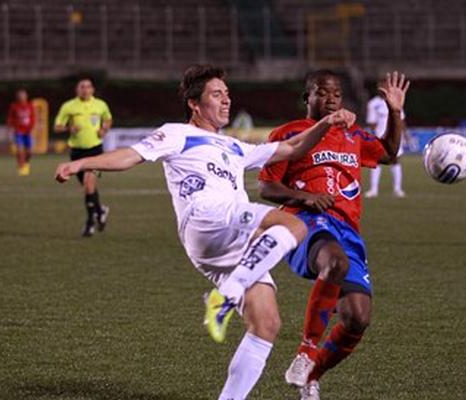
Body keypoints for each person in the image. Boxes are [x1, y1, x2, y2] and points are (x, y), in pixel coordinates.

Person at [54, 64, 356, 400]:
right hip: (207, 217)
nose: (226, 101)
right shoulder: (176, 133)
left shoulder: (235, 147)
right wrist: (82, 163)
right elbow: (130, 156)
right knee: (294, 224)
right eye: (217, 95)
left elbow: (292, 148)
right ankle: (226, 293)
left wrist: (325, 123)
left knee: (267, 323)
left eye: (227, 94)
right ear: (194, 104)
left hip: (226, 243)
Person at [258, 70, 408, 400]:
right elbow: (266, 186)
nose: (331, 99)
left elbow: (390, 152)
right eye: (322, 93)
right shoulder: (288, 134)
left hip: (347, 230)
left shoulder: (353, 135)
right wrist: (304, 198)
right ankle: (305, 351)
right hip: (304, 222)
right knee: (335, 263)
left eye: (337, 94)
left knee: (357, 316)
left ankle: (312, 374)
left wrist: (395, 111)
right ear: (307, 98)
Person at [54, 78, 113, 237]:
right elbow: (57, 126)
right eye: (82, 87)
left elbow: (107, 119)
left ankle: (89, 223)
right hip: (76, 152)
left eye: (88, 87)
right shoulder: (69, 106)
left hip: (95, 150)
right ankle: (100, 211)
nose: (85, 89)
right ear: (77, 90)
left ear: (92, 89)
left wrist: (104, 130)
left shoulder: (100, 104)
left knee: (88, 183)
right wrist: (68, 127)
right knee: (88, 188)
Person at [364, 91, 409, 198]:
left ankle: (397, 189)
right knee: (376, 161)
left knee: (395, 160)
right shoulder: (373, 103)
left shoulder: (395, 100)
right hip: (379, 137)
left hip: (394, 137)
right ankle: (373, 190)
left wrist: (405, 134)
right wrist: (376, 135)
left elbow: (401, 119)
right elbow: (371, 122)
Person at [6, 88, 36, 176]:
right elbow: (10, 118)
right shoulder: (14, 106)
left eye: (23, 95)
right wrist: (8, 130)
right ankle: (20, 165)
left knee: (29, 152)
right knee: (20, 150)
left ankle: (26, 163)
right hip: (18, 132)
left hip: (28, 132)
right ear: (17, 97)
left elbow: (33, 118)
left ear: (26, 96)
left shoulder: (30, 105)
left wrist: (32, 128)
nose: (22, 97)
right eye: (20, 96)